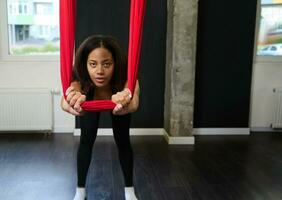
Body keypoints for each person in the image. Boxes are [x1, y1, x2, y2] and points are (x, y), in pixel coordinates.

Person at [61, 35, 140, 200]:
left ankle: (129, 189)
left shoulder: (126, 77)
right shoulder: (80, 79)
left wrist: (127, 99)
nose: (99, 71)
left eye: (106, 64)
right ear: (86, 64)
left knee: (123, 141)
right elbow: (65, 99)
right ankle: (80, 190)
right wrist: (70, 100)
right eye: (93, 64)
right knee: (86, 140)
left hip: (119, 103)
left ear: (115, 64)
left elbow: (134, 103)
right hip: (89, 101)